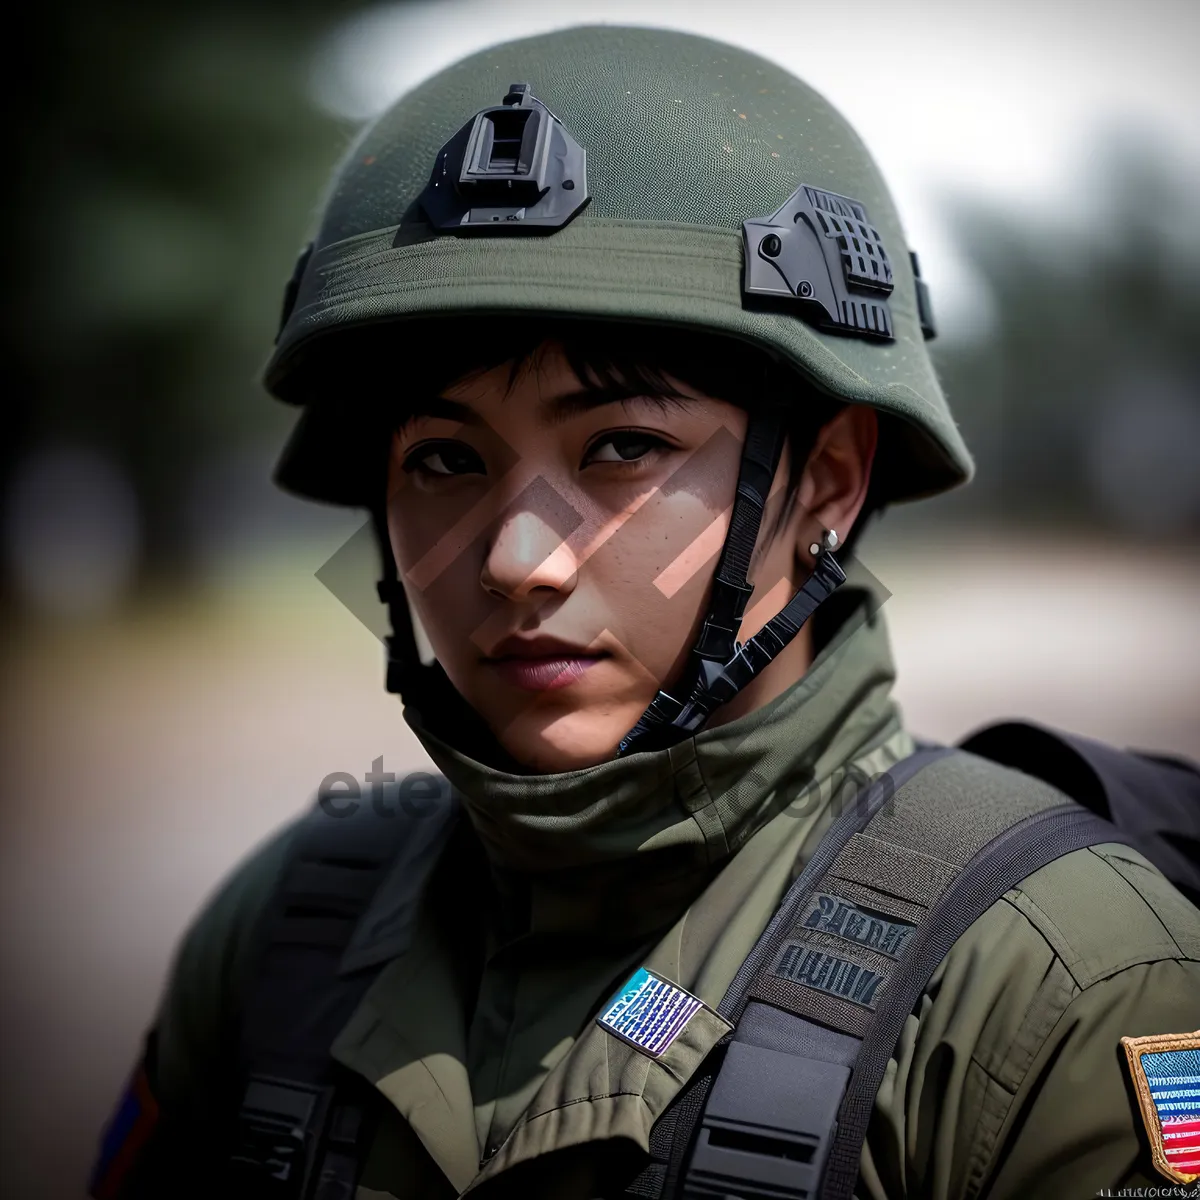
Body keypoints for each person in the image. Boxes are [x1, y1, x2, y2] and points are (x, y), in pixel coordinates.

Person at [89, 24, 1200, 1200]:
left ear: (825, 479)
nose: (517, 562)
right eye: (444, 461)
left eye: (623, 448)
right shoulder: (290, 933)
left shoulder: (1057, 986)